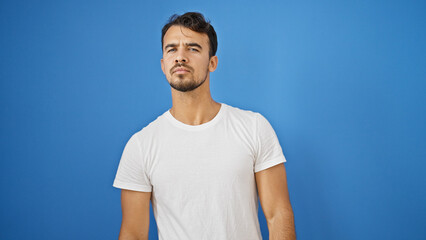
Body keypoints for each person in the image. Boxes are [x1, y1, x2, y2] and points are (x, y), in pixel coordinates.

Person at [113, 12, 296, 240]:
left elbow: (278, 214)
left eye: (193, 48)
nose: (180, 57)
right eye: (171, 49)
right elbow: (133, 233)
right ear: (163, 64)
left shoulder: (254, 127)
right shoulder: (140, 145)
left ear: (212, 63)